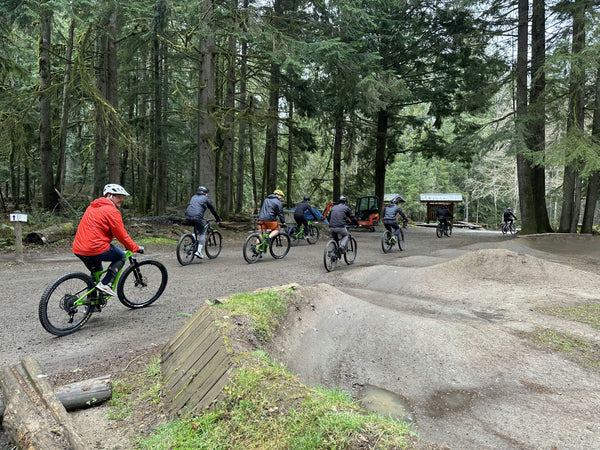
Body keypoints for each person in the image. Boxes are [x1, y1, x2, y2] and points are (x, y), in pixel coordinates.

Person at [73, 183, 144, 299]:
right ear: (109, 195)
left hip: (79, 248)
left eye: (122, 197)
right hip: (94, 247)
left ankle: (92, 303)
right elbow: (121, 235)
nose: (121, 199)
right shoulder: (112, 211)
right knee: (121, 256)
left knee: (96, 271)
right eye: (118, 197)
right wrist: (134, 247)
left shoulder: (92, 207)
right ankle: (105, 284)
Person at [185, 186, 222, 259]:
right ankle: (198, 251)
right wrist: (218, 219)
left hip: (188, 216)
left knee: (195, 227)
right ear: (205, 193)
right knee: (202, 232)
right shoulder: (206, 199)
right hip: (197, 217)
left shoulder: (193, 197)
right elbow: (213, 209)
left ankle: (193, 243)